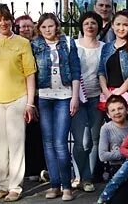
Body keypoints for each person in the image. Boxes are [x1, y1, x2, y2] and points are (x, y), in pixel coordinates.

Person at [0, 6, 37, 202]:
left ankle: (15, 187)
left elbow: (30, 74)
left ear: (11, 20)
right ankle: (3, 185)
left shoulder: (22, 43)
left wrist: (30, 103)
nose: (2, 23)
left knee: (16, 142)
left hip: (17, 97)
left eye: (5, 19)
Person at [31, 13, 80, 202]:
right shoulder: (35, 44)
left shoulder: (68, 42)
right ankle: (54, 184)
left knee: (60, 142)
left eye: (50, 26)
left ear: (56, 26)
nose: (47, 30)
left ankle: (67, 186)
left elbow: (75, 70)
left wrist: (75, 97)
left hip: (64, 96)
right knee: (48, 143)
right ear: (39, 28)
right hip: (44, 97)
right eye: (43, 27)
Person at [69, 11, 104, 192]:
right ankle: (77, 175)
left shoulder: (104, 47)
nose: (90, 26)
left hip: (96, 97)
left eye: (93, 23)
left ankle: (87, 178)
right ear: (81, 27)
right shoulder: (73, 45)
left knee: (94, 139)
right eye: (86, 23)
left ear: (99, 26)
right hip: (78, 98)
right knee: (82, 141)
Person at [14, 14, 47, 184]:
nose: (25, 29)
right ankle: (25, 169)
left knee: (37, 134)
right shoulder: (15, 46)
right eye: (21, 26)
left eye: (28, 26)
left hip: (38, 94)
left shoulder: (39, 46)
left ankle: (39, 168)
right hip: (19, 94)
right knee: (22, 135)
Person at [98, 95, 128, 204]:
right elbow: (103, 155)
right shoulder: (106, 128)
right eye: (112, 110)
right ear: (108, 114)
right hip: (117, 168)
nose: (117, 112)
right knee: (119, 200)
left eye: (120, 108)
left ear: (127, 110)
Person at [98, 10, 128, 107]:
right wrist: (106, 92)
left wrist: (118, 93)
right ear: (112, 25)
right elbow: (101, 71)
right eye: (118, 24)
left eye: (125, 25)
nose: (121, 28)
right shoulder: (106, 47)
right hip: (109, 96)